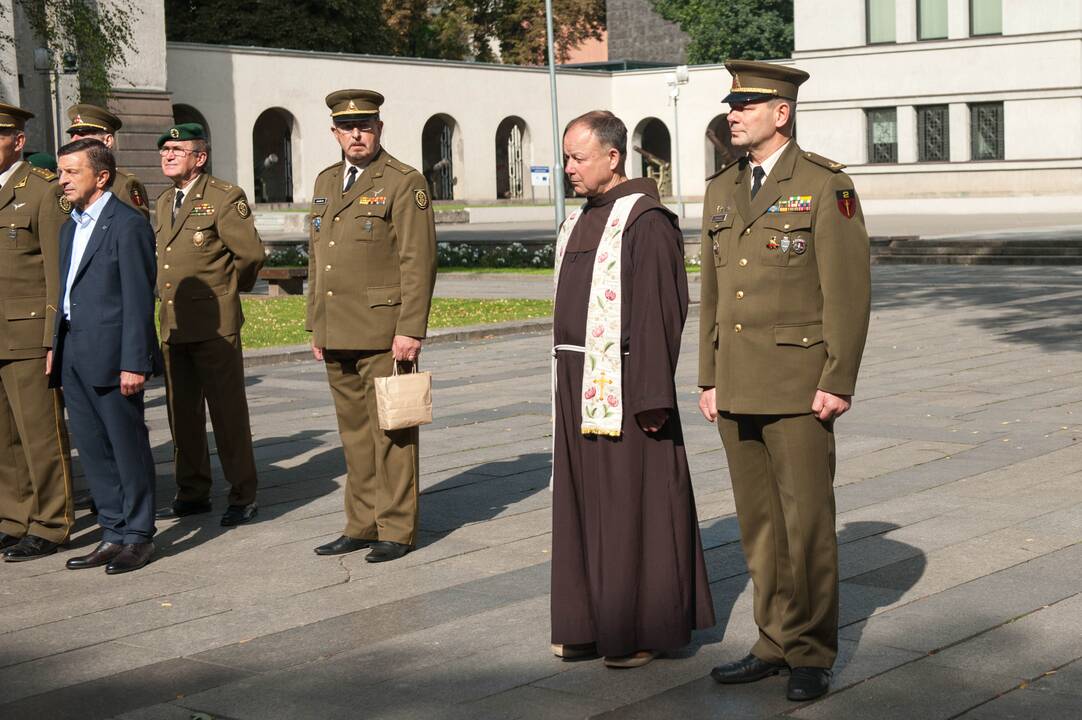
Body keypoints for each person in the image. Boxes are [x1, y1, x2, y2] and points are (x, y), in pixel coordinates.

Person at [698, 60, 871, 701]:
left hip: (801, 384)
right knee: (759, 525)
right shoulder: (722, 189)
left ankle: (810, 651)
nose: (733, 114)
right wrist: (708, 377)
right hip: (737, 383)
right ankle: (772, 640)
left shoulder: (826, 185)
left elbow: (848, 293)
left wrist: (839, 379)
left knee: (806, 525)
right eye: (731, 105)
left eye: (747, 105)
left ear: (782, 113)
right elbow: (711, 295)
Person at [550, 110, 715, 669]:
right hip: (575, 382)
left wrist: (650, 396)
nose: (568, 167)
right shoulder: (580, 220)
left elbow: (660, 312)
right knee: (584, 505)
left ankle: (640, 628)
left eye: (578, 157)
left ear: (613, 158)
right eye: (568, 157)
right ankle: (591, 621)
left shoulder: (646, 221)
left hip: (624, 386)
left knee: (629, 510)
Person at [307, 89, 436, 563]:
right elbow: (318, 258)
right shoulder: (325, 181)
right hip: (336, 329)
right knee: (355, 435)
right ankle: (360, 523)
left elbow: (417, 261)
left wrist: (411, 328)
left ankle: (396, 529)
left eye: (365, 126)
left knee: (393, 432)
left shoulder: (404, 182)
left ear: (379, 129)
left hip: (385, 332)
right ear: (335, 133)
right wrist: (314, 325)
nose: (356, 135)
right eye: (347, 127)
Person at [50, 138, 160, 574]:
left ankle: (138, 535)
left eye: (71, 172)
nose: (62, 181)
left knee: (126, 447)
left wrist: (135, 361)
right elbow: (65, 294)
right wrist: (55, 348)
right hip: (74, 349)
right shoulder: (68, 226)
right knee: (92, 448)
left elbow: (137, 298)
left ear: (102, 176)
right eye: (61, 172)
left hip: (115, 355)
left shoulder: (127, 224)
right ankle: (112, 532)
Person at [152, 123, 265, 527]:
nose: (167, 155)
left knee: (227, 413)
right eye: (164, 149)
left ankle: (242, 494)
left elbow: (250, 255)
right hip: (174, 323)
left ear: (199, 157)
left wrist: (225, 293)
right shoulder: (165, 201)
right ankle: (193, 490)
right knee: (181, 414)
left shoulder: (222, 196)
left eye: (176, 150)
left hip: (215, 325)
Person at [0, 103, 73, 562]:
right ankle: (13, 516)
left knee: (39, 435)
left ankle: (50, 522)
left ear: (18, 141)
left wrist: (53, 337)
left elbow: (57, 271)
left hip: (28, 335)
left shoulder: (44, 192)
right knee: (3, 438)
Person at [65, 103, 150, 219]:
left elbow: (136, 231)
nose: (74, 139)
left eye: (83, 133)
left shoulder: (123, 185)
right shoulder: (68, 181)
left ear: (108, 141)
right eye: (72, 134)